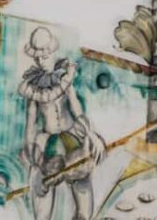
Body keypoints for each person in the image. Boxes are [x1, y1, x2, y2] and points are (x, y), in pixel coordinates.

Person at [19, 27, 106, 220]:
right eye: (37, 57)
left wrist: (91, 134)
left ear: (52, 52)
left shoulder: (65, 76)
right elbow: (31, 122)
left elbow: (76, 108)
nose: (41, 61)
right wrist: (31, 150)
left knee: (83, 197)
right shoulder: (33, 86)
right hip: (48, 143)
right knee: (43, 197)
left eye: (45, 56)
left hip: (71, 138)